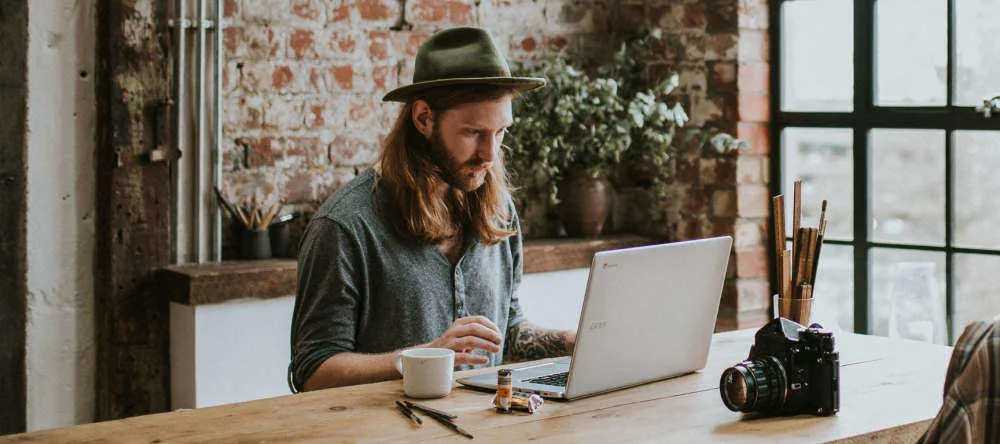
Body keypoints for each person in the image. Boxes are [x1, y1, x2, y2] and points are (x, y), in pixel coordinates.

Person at [289, 26, 577, 392]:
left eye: (501, 131)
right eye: (474, 133)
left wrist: (571, 340)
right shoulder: (344, 226)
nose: (490, 154)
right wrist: (424, 356)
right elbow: (312, 371)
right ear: (424, 118)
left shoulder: (499, 210)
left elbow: (508, 331)